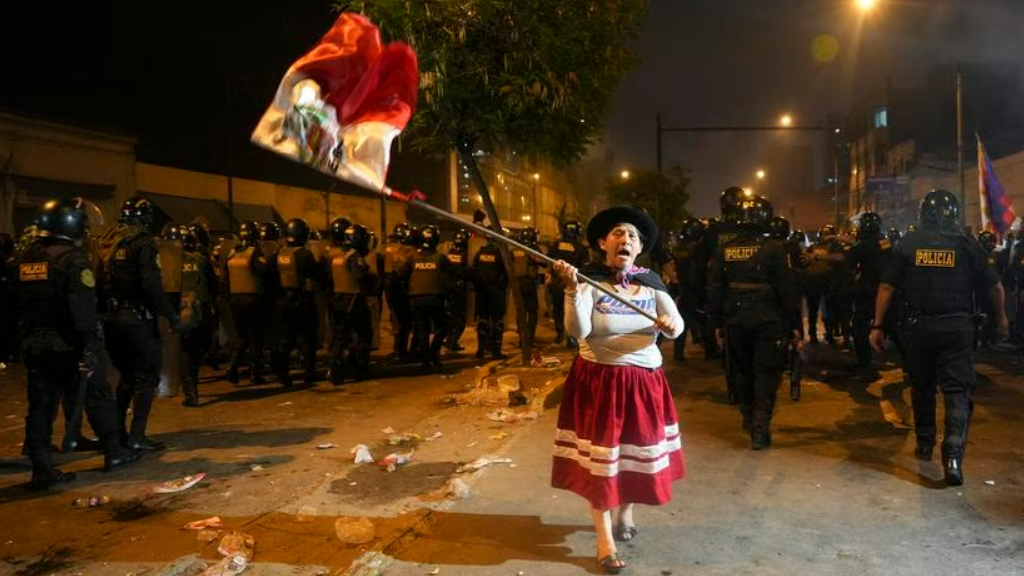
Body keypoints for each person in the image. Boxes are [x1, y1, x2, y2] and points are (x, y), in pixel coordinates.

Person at [550, 206, 685, 575]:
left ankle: (626, 511)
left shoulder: (652, 283)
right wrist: (572, 289)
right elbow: (578, 331)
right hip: (600, 383)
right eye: (617, 234)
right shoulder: (589, 281)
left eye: (633, 236)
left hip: (643, 385)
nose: (625, 239)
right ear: (602, 243)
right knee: (602, 462)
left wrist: (670, 323)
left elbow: (676, 329)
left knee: (632, 455)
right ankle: (604, 539)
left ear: (640, 248)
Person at [870, 190, 1007, 487]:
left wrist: (878, 325)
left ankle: (925, 443)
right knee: (957, 391)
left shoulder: (908, 245)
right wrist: (1001, 319)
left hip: (919, 329)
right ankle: (953, 454)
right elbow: (995, 286)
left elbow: (886, 287)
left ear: (923, 214)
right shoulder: (967, 246)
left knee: (922, 387)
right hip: (957, 328)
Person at [18, 198, 143, 489]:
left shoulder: (25, 260)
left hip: (35, 343)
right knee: (98, 396)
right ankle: (114, 453)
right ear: (72, 226)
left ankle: (41, 468)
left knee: (40, 406)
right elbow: (83, 312)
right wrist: (88, 348)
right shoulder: (74, 262)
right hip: (69, 343)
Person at [709, 196, 800, 450]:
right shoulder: (774, 248)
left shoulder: (724, 250)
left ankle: (749, 417)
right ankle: (760, 428)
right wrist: (794, 325)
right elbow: (787, 289)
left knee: (743, 371)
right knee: (766, 373)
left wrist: (716, 323)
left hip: (735, 318)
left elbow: (715, 288)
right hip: (768, 318)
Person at [94, 196, 179, 451]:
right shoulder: (142, 243)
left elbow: (97, 284)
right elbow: (151, 286)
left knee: (127, 378)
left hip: (111, 320)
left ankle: (117, 434)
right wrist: (170, 315)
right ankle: (137, 436)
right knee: (146, 378)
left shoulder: (106, 242)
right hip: (137, 320)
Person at [273, 218, 323, 386]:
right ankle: (309, 373)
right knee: (307, 338)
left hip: (281, 301)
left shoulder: (279, 253)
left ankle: (282, 374)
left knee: (285, 339)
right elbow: (316, 275)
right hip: (301, 301)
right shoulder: (304, 254)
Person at [327, 222, 375, 383]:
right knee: (363, 334)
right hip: (354, 299)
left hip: (338, 299)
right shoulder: (354, 256)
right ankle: (359, 368)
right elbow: (359, 276)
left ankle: (335, 366)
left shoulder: (338, 256)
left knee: (341, 336)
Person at [226, 221, 270, 385]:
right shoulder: (254, 252)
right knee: (256, 338)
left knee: (242, 337)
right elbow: (263, 270)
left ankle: (232, 366)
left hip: (234, 300)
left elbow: (225, 278)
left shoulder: (232, 253)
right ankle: (255, 374)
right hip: (251, 300)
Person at [402, 225, 450, 371]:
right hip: (435, 299)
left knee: (422, 329)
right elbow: (450, 278)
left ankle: (425, 360)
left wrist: (409, 291)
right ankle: (433, 354)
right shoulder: (440, 258)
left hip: (416, 299)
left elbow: (401, 276)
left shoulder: (412, 258)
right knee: (442, 327)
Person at [178, 225, 216, 406]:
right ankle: (192, 384)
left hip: (178, 312)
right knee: (196, 349)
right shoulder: (201, 259)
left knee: (184, 351)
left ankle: (190, 390)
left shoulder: (166, 262)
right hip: (201, 311)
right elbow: (213, 285)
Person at [546, 220, 588, 348]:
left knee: (558, 309)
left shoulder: (556, 245)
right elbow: (584, 267)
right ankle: (572, 337)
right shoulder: (581, 248)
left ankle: (560, 335)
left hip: (557, 283)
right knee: (573, 309)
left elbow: (549, 262)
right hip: (573, 284)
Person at [472, 232, 509, 359]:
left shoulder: (479, 253)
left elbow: (474, 270)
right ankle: (496, 352)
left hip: (482, 292)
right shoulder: (501, 253)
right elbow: (507, 271)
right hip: (496, 293)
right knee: (498, 321)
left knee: (482, 320)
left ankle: (481, 350)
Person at [512, 227, 544, 355]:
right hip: (529, 284)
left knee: (521, 311)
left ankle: (521, 340)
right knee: (532, 313)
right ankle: (529, 340)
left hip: (517, 284)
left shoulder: (514, 249)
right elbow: (543, 263)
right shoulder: (533, 249)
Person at [444, 228, 471, 351]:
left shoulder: (451, 252)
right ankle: (453, 342)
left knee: (450, 317)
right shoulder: (465, 254)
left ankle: (448, 339)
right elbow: (467, 272)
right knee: (460, 319)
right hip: (459, 290)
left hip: (449, 289)